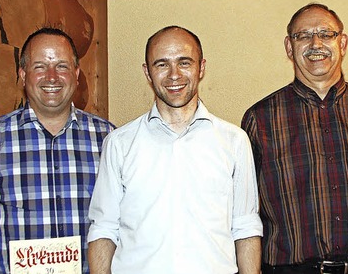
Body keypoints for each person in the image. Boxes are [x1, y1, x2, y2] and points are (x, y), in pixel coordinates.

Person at [241, 3, 348, 274]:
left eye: (326, 34)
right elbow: (244, 210)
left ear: (342, 43)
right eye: (303, 35)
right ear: (288, 46)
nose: (315, 43)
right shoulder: (260, 119)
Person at [87, 26, 262, 274]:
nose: (174, 75)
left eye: (184, 62)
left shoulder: (234, 141)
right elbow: (104, 228)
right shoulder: (119, 143)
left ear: (201, 68)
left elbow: (245, 227)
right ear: (147, 72)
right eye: (162, 64)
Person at [0, 27, 115, 273]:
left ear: (76, 74)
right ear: (23, 74)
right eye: (39, 66)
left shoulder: (109, 139)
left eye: (61, 66)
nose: (51, 77)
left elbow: (125, 220)